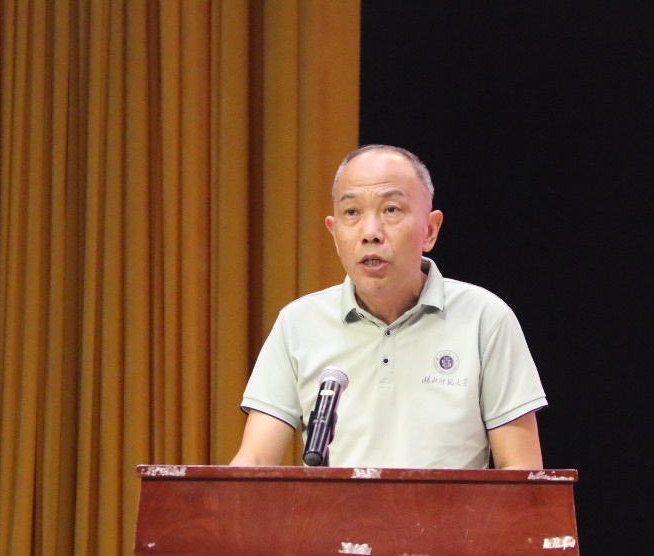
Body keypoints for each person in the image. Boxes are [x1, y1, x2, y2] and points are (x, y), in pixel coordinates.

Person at [229, 144, 546, 469]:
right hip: (332, 507)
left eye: (391, 210)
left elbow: (521, 471)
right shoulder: (298, 323)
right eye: (352, 212)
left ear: (430, 230)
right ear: (334, 233)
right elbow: (255, 460)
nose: (370, 233)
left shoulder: (485, 319)